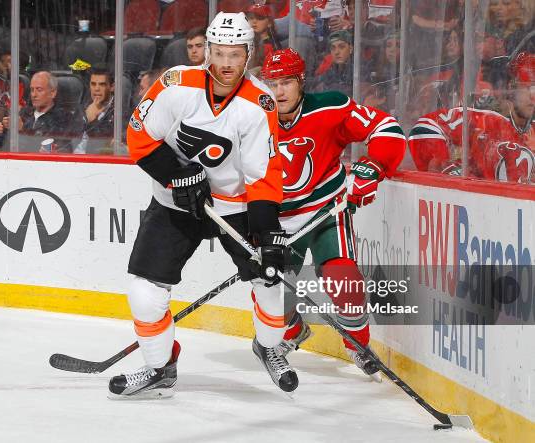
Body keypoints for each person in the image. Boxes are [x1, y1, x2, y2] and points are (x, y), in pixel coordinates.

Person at [110, 12, 294, 398]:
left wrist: (267, 231)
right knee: (144, 291)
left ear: (249, 54)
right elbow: (140, 137)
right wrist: (177, 175)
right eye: (220, 53)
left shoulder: (258, 103)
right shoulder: (176, 85)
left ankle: (268, 345)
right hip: (174, 205)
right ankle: (160, 367)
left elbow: (263, 172)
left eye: (236, 54)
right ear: (207, 51)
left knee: (270, 278)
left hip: (235, 206)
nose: (227, 64)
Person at [259, 48, 406, 379]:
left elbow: (387, 128)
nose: (278, 91)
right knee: (270, 297)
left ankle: (358, 345)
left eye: (286, 83)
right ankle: (293, 331)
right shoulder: (251, 116)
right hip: (277, 220)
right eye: (271, 83)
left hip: (327, 210)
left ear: (301, 83)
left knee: (345, 282)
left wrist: (373, 165)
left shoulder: (331, 108)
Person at [408, 52, 534, 184]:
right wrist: (445, 175)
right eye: (528, 87)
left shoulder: (532, 131)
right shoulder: (486, 119)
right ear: (511, 88)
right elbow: (426, 127)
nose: (533, 96)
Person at [0, 71, 86, 153]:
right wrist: (1, 131)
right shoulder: (24, 113)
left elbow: (50, 149)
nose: (34, 95)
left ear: (53, 93)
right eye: (32, 90)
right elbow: (5, 147)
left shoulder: (64, 119)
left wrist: (22, 130)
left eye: (39, 90)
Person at [82, 68, 115, 153]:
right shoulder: (82, 107)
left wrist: (92, 121)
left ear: (112, 87)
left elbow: (102, 145)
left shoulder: (119, 111)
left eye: (102, 84)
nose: (96, 89)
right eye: (93, 84)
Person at [245, 3, 281, 73]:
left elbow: (273, 69)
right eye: (251, 18)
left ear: (269, 23)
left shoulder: (271, 45)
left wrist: (258, 69)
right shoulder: (245, 41)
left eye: (259, 18)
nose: (254, 21)